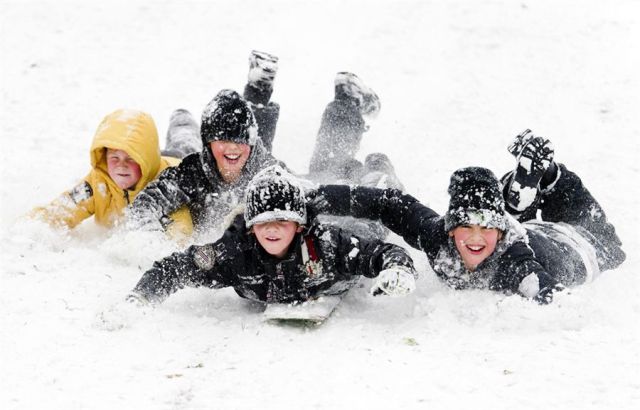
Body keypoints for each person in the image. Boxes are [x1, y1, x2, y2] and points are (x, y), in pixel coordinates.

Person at [309, 130, 625, 303]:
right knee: (499, 212)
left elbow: (553, 296)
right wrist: (315, 197)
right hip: (527, 228)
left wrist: (551, 297)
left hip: (582, 245)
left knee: (613, 249)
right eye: (466, 227)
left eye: (485, 229)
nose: (475, 238)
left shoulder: (516, 264)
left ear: (500, 233)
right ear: (450, 229)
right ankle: (516, 197)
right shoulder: (436, 235)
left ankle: (549, 177)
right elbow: (388, 203)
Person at [128, 166, 417, 305]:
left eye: (282, 221)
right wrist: (142, 297)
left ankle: (378, 170)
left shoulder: (328, 245)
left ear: (299, 225)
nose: (272, 229)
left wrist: (398, 269)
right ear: (250, 227)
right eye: (263, 223)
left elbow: (382, 253)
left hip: (347, 231)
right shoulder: (232, 253)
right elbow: (174, 268)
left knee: (370, 221)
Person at [126, 52, 284, 236]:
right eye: (224, 140)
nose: (233, 147)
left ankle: (259, 87)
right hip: (185, 151)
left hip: (254, 153)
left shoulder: (268, 172)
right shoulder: (195, 172)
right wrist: (154, 243)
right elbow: (146, 204)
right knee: (183, 143)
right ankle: (182, 118)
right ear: (209, 143)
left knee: (261, 135)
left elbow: (303, 195)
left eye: (241, 140)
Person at [31, 109, 191, 233]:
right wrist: (32, 227)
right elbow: (63, 209)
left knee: (185, 142)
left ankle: (182, 121)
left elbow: (180, 229)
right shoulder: (98, 182)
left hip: (181, 159)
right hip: (149, 156)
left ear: (144, 161)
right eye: (114, 158)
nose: (121, 165)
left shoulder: (167, 183)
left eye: (130, 159)